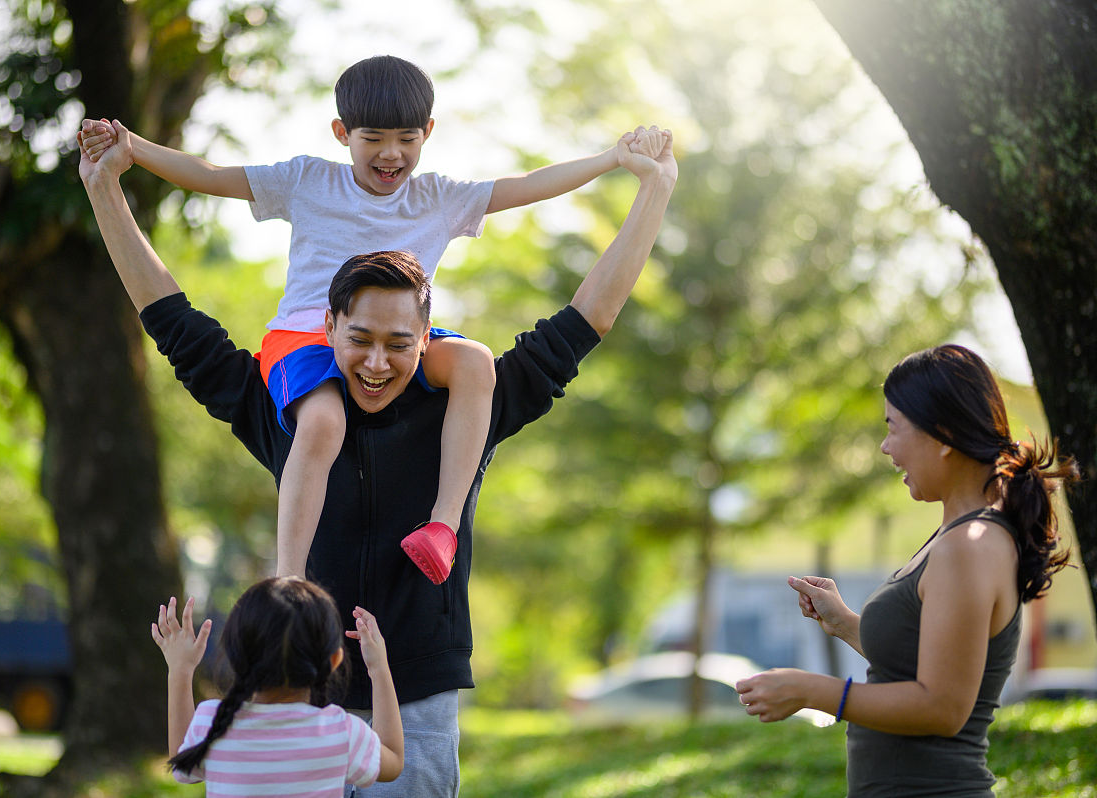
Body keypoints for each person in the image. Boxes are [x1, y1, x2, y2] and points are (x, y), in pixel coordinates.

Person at [79, 115, 675, 797]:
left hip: (416, 692)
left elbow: (585, 320)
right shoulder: (291, 409)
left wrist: (653, 190)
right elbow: (174, 323)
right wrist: (105, 191)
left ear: (428, 336)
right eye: (359, 338)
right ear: (326, 328)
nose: (375, 362)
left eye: (399, 343)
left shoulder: (463, 412)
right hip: (295, 697)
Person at [79, 54, 628, 584]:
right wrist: (134, 149)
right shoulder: (308, 182)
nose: (391, 155)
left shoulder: (437, 197)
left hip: (402, 337)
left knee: (475, 363)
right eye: (374, 139)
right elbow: (212, 174)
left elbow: (525, 186)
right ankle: (289, 576)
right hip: (306, 338)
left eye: (406, 140)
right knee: (324, 422)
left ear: (428, 132)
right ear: (342, 132)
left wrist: (610, 159)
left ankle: (442, 525)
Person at [734, 344, 1078, 797]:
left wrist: (812, 691)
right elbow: (922, 662)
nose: (885, 446)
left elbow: (941, 707)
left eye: (893, 428)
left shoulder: (969, 548)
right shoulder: (956, 536)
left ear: (941, 436)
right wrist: (843, 623)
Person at [151, 579, 403, 795]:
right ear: (333, 662)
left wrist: (180, 671)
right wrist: (379, 668)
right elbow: (393, 758)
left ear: (236, 657)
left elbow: (181, 763)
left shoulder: (212, 722)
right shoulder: (340, 733)